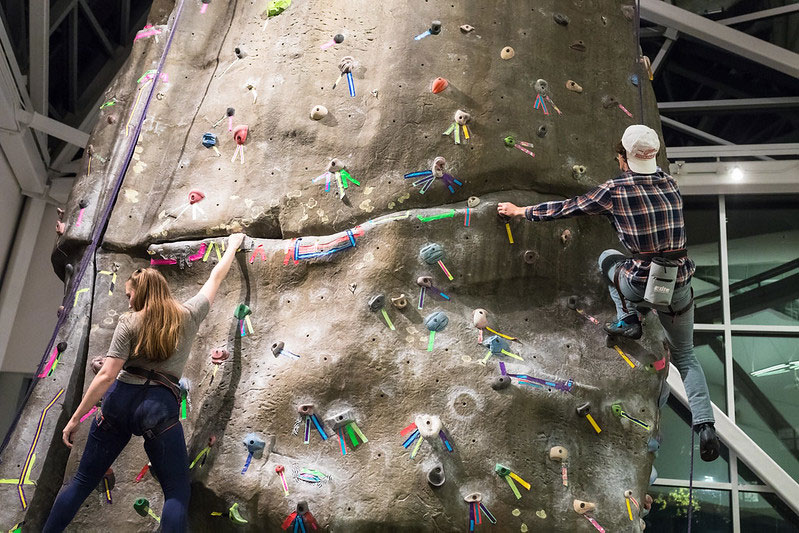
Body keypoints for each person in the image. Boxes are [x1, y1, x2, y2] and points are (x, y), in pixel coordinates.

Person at [497, 125, 720, 462]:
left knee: (608, 260)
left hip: (639, 282)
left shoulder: (614, 190)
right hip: (679, 285)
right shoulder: (670, 184)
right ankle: (705, 425)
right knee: (686, 357)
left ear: (622, 158)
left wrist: (520, 211)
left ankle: (628, 318)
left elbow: (569, 207)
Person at [43, 233, 246, 533]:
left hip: (120, 400)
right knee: (176, 492)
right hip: (159, 407)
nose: (129, 300)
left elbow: (107, 375)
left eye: (129, 295)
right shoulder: (187, 314)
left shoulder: (130, 321)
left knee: (83, 481)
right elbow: (216, 277)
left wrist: (75, 418)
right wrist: (232, 246)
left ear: (140, 293)